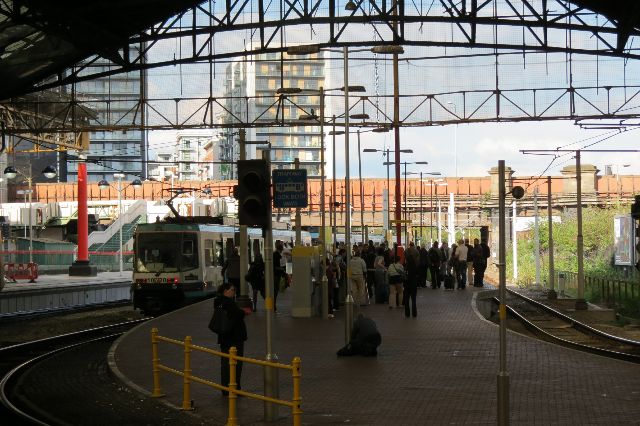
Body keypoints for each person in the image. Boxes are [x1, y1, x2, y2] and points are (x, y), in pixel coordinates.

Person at [212, 282, 247, 396]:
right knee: (236, 364)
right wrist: (244, 312)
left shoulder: (218, 301)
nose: (234, 292)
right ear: (225, 291)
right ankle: (235, 388)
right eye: (232, 290)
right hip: (235, 337)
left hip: (224, 337)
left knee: (225, 363)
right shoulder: (229, 302)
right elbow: (237, 314)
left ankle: (225, 388)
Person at [404, 252, 418, 317]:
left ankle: (407, 313)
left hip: (407, 284)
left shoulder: (405, 267)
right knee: (413, 300)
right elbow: (417, 275)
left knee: (406, 300)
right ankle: (414, 313)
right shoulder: (415, 266)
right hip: (413, 284)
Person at [273, 242, 286, 312]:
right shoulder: (277, 256)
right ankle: (273, 306)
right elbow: (276, 267)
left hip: (275, 275)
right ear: (280, 250)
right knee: (275, 291)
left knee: (274, 291)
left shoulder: (274, 254)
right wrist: (281, 269)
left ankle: (273, 305)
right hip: (276, 276)